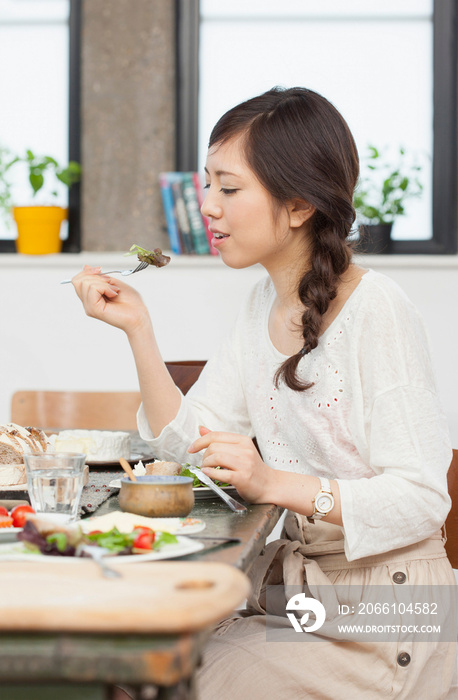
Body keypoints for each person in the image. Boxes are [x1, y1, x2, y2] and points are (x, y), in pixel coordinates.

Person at [72, 87, 456, 699]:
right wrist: (139, 330)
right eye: (207, 186)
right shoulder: (261, 307)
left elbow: (421, 498)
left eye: (228, 188)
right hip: (309, 594)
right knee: (149, 656)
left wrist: (272, 483)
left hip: (395, 607)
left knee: (186, 677)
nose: (208, 207)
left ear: (299, 204)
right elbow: (188, 445)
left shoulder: (377, 308)